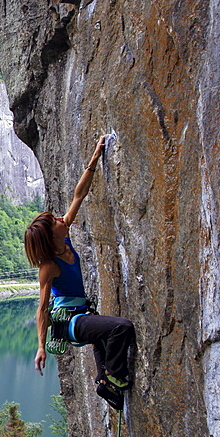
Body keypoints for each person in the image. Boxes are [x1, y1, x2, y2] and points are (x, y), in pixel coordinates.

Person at [24, 135, 136, 411]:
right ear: (51, 236)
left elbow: (79, 194)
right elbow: (42, 309)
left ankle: (104, 382)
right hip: (73, 324)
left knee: (104, 336)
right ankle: (112, 376)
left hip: (85, 316)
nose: (61, 219)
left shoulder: (64, 237)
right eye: (55, 221)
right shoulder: (49, 266)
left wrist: (95, 158)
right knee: (122, 327)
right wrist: (40, 347)